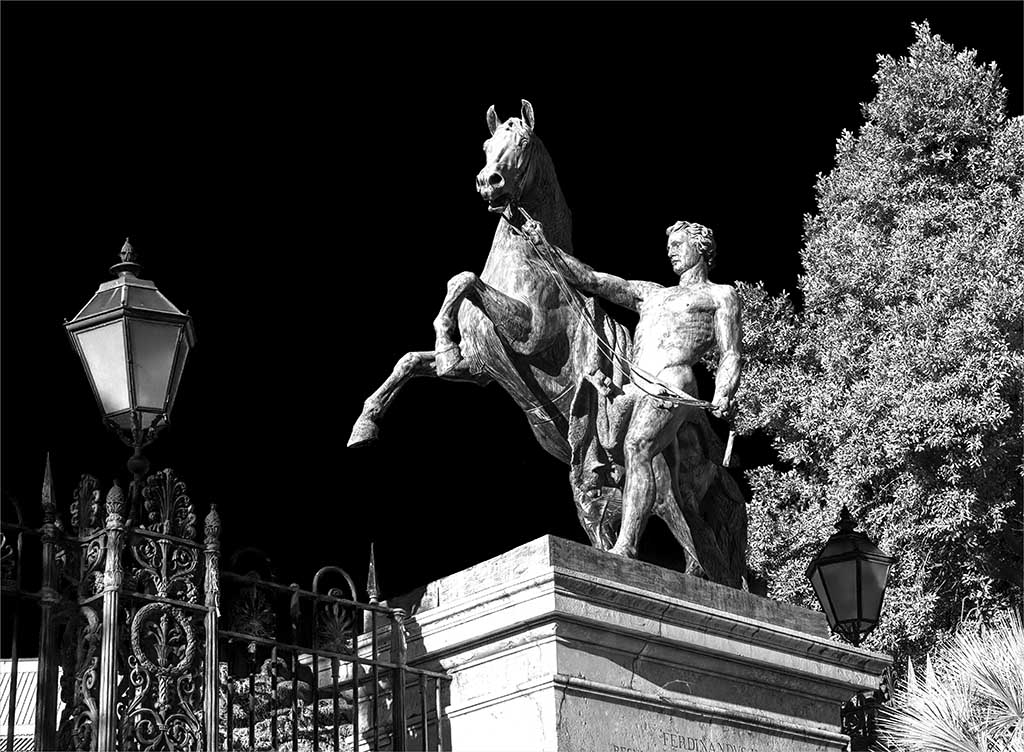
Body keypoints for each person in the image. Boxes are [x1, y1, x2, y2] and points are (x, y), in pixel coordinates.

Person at [521, 217, 742, 561]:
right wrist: (544, 245)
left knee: (637, 446)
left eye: (678, 245)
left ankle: (626, 546)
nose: (671, 252)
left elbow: (730, 353)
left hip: (673, 381)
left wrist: (724, 390)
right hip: (634, 386)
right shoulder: (651, 293)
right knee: (600, 452)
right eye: (668, 248)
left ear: (701, 247)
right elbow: (592, 279)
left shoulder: (719, 295)